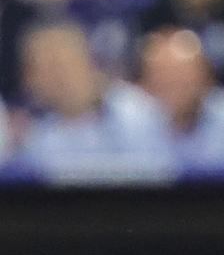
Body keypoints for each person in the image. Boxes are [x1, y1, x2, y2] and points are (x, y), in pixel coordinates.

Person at [18, 19, 171, 160]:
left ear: (90, 61)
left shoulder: (137, 112)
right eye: (47, 67)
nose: (60, 77)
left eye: (65, 62)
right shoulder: (33, 138)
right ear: (31, 79)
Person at [137, 27, 224, 160]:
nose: (174, 84)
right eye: (163, 75)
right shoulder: (129, 124)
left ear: (206, 79)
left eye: (183, 76)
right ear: (145, 83)